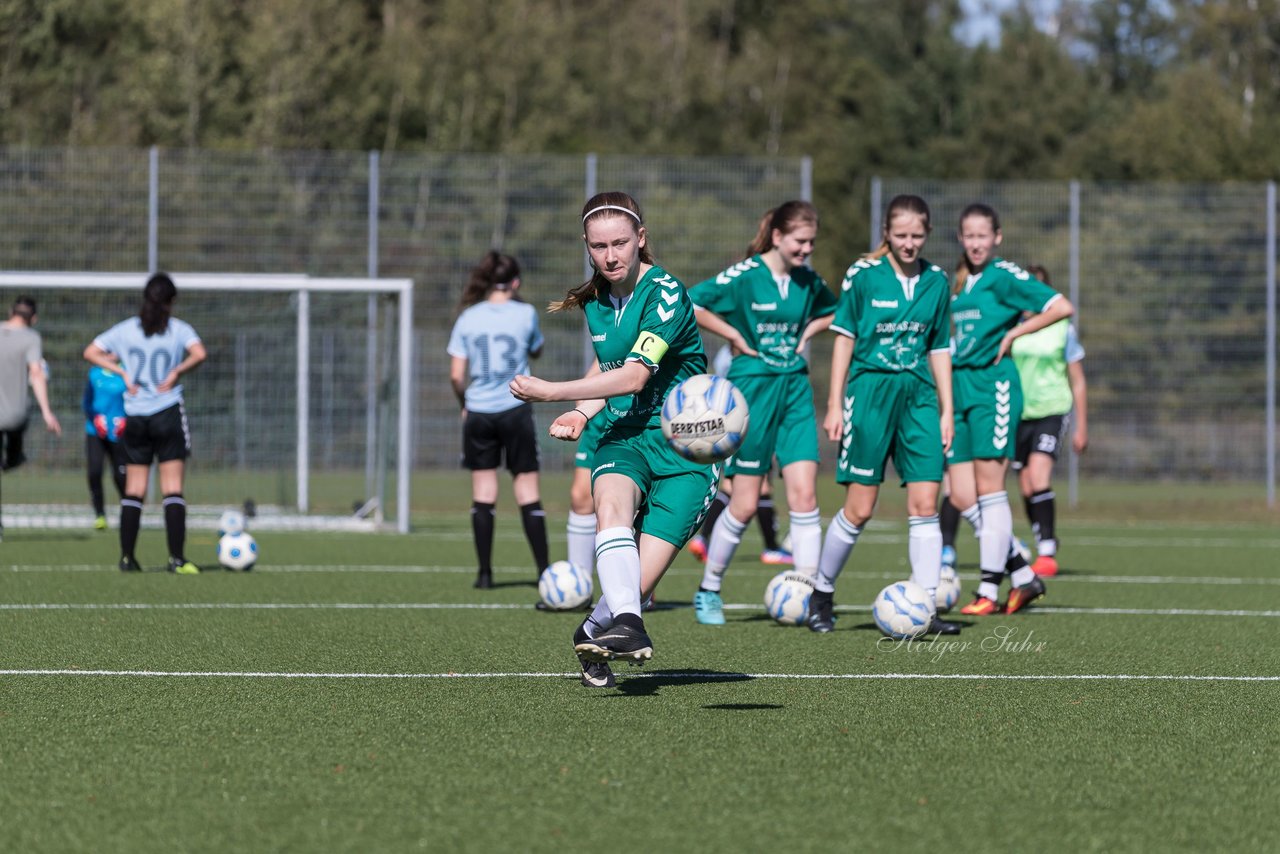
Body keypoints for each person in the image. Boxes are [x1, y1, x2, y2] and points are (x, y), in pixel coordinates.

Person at [510, 190, 717, 688]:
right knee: (610, 507)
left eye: (620, 243)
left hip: (685, 447)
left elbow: (633, 376)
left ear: (640, 239)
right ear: (587, 246)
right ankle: (627, 625)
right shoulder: (599, 300)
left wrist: (555, 393)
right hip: (624, 436)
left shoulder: (666, 291)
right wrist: (583, 412)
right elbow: (608, 365)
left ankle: (596, 628)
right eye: (598, 246)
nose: (610, 256)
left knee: (634, 589)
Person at [810, 194, 957, 635]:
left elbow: (940, 348)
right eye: (901, 235)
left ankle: (926, 607)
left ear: (927, 234)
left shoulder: (937, 281)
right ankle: (821, 592)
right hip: (870, 394)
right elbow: (843, 339)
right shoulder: (864, 276)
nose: (909, 243)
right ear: (886, 235)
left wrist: (948, 410)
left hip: (920, 399)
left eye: (917, 236)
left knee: (926, 503)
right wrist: (835, 403)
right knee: (860, 507)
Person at [685, 201, 836, 625]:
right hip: (752, 391)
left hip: (795, 391)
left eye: (811, 242)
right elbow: (689, 302)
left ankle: (811, 597)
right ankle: (709, 588)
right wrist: (732, 333)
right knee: (746, 502)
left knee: (805, 495)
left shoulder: (809, 281)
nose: (807, 249)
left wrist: (810, 329)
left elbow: (837, 311)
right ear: (777, 237)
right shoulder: (746, 276)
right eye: (800, 241)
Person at [945, 205, 1074, 616]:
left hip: (993, 387)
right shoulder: (961, 281)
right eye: (969, 235)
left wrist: (1016, 331)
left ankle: (988, 589)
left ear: (997, 237)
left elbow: (1060, 306)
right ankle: (1021, 573)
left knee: (990, 490)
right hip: (960, 389)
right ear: (961, 238)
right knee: (960, 494)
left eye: (983, 235)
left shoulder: (1005, 275)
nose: (976, 243)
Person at [84, 273, 206, 573]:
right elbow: (200, 353)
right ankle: (177, 559)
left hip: (135, 416)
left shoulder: (126, 330)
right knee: (173, 488)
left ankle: (128, 558)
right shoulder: (178, 330)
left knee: (134, 489)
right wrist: (177, 371)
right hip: (167, 413)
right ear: (171, 302)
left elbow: (90, 351)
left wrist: (122, 372)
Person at [447, 251, 548, 591]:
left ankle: (485, 574)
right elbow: (536, 349)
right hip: (515, 407)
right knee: (527, 490)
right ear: (516, 282)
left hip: (479, 411)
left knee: (484, 493)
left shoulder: (468, 318)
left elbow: (457, 375)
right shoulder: (526, 313)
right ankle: (544, 574)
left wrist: (466, 402)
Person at [1010, 264, 1088, 577]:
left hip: (1052, 410)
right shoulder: (1010, 325)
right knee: (1027, 485)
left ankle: (1047, 551)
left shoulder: (1062, 328)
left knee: (1040, 475)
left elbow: (1078, 380)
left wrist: (1082, 425)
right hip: (1017, 413)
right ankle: (1043, 536)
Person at [687, 343, 793, 567]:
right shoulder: (751, 349)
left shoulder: (726, 352)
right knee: (761, 485)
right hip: (748, 417)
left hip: (731, 418)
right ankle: (771, 548)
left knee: (732, 485)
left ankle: (705, 539)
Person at [0, 296, 62, 538]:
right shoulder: (31, 337)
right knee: (13, 458)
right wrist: (47, 412)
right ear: (33, 318)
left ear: (10, 311)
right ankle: (12, 460)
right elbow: (36, 373)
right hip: (15, 415)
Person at [83, 363, 128, 530]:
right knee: (94, 471)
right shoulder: (94, 373)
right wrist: (94, 418)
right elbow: (86, 401)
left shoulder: (126, 370)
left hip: (119, 431)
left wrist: (126, 419)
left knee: (121, 475)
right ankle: (99, 514)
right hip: (95, 431)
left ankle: (129, 510)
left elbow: (135, 397)